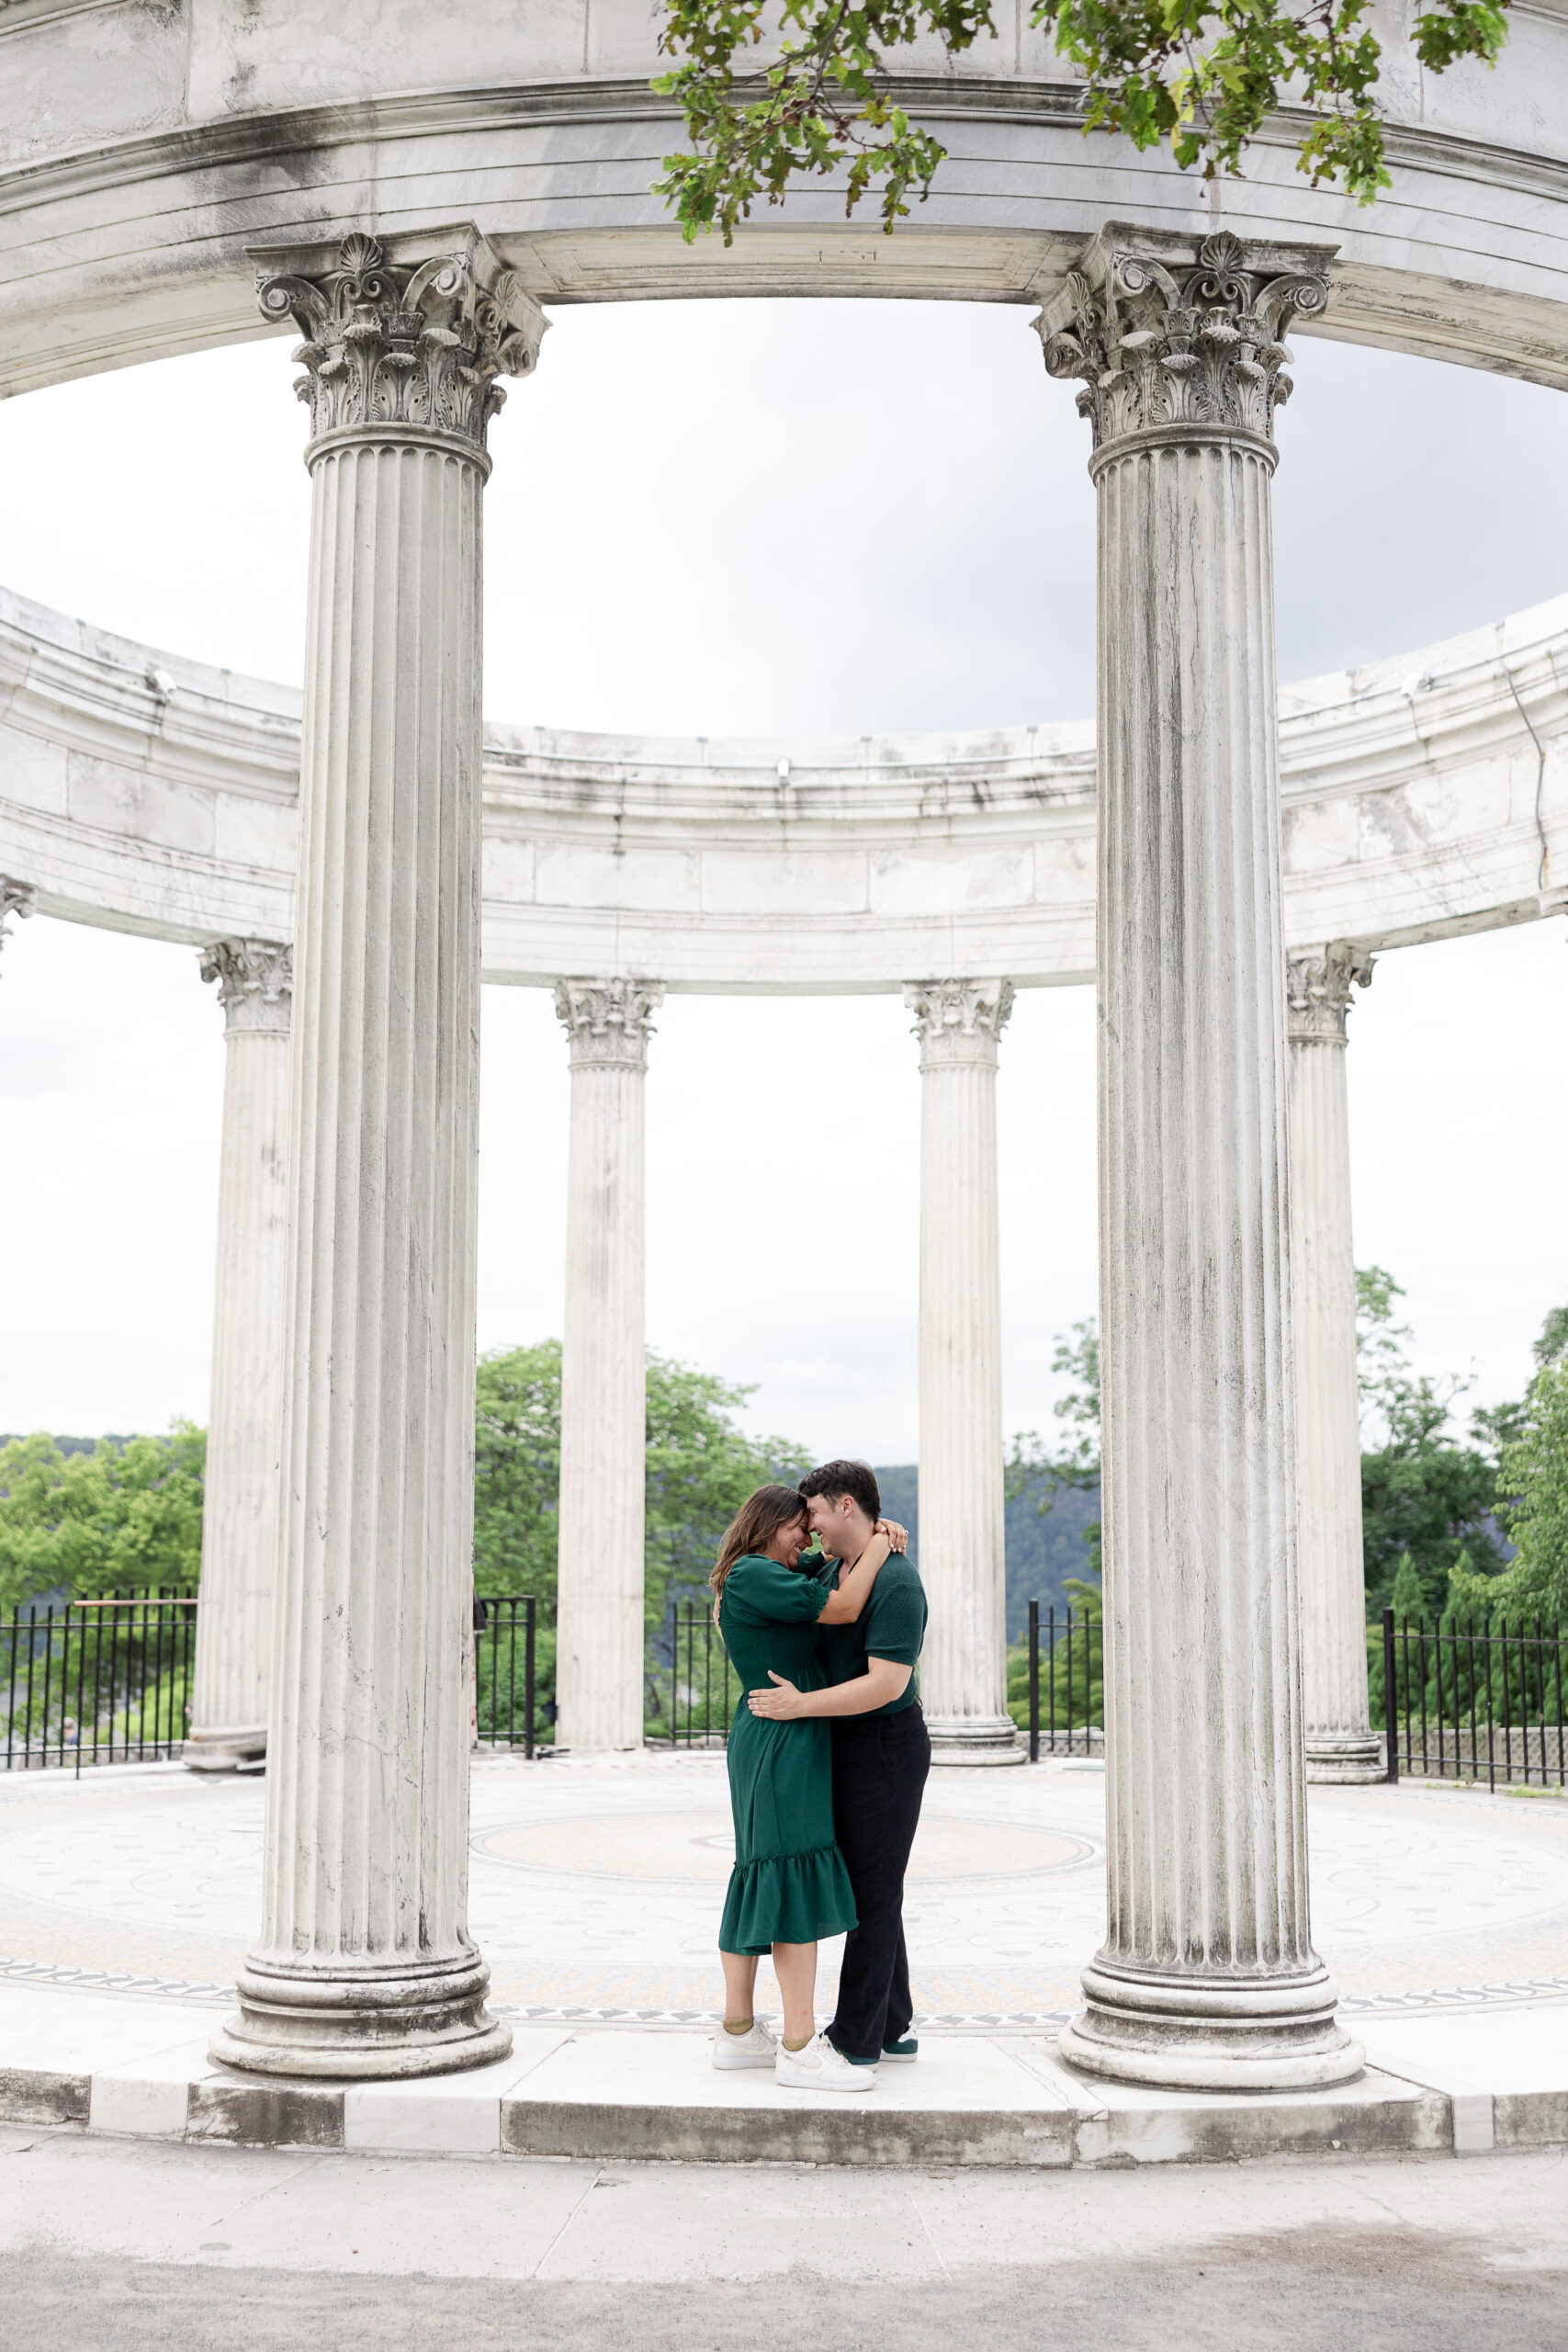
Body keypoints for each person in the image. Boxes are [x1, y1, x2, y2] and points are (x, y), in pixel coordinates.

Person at [711, 1482, 901, 2092]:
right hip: (781, 1735)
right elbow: (843, 1608)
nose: (808, 1537)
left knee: (764, 1871)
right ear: (768, 1525)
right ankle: (798, 2049)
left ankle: (737, 2031)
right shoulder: (753, 1575)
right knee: (787, 1876)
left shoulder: (775, 1571)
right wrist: (879, 1546)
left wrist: (875, 1530)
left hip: (782, 1732)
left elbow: (828, 1563)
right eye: (799, 1526)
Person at [748, 1459, 930, 2073]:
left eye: (816, 1513)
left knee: (871, 1893)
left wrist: (801, 1706)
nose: (810, 1526)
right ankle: (895, 2023)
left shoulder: (899, 1584)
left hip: (884, 1746)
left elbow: (885, 1685)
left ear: (845, 1505)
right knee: (869, 1886)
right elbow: (762, 1567)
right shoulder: (829, 1568)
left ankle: (856, 2038)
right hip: (841, 1745)